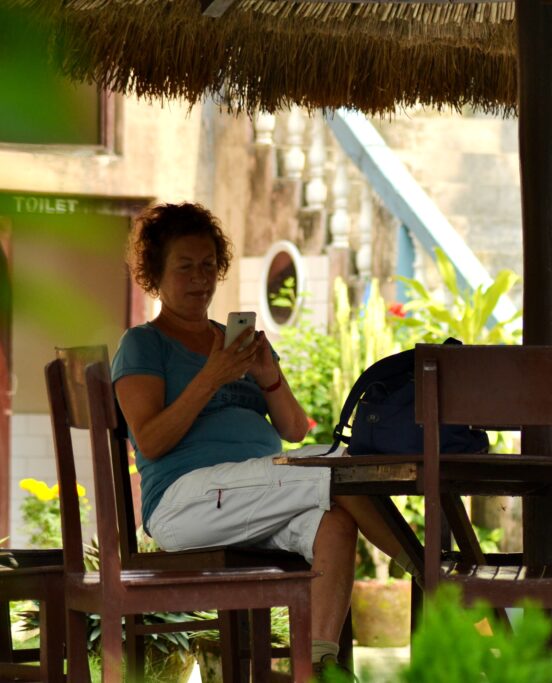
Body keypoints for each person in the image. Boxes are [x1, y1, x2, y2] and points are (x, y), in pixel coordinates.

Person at [111, 202, 407, 673]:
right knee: (337, 467)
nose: (199, 278)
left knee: (335, 520)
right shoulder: (143, 344)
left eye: (208, 266)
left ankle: (319, 664)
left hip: (254, 501)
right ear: (155, 274)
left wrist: (268, 375)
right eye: (185, 267)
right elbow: (149, 441)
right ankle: (436, 575)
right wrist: (210, 377)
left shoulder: (232, 342)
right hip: (185, 503)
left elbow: (293, 430)